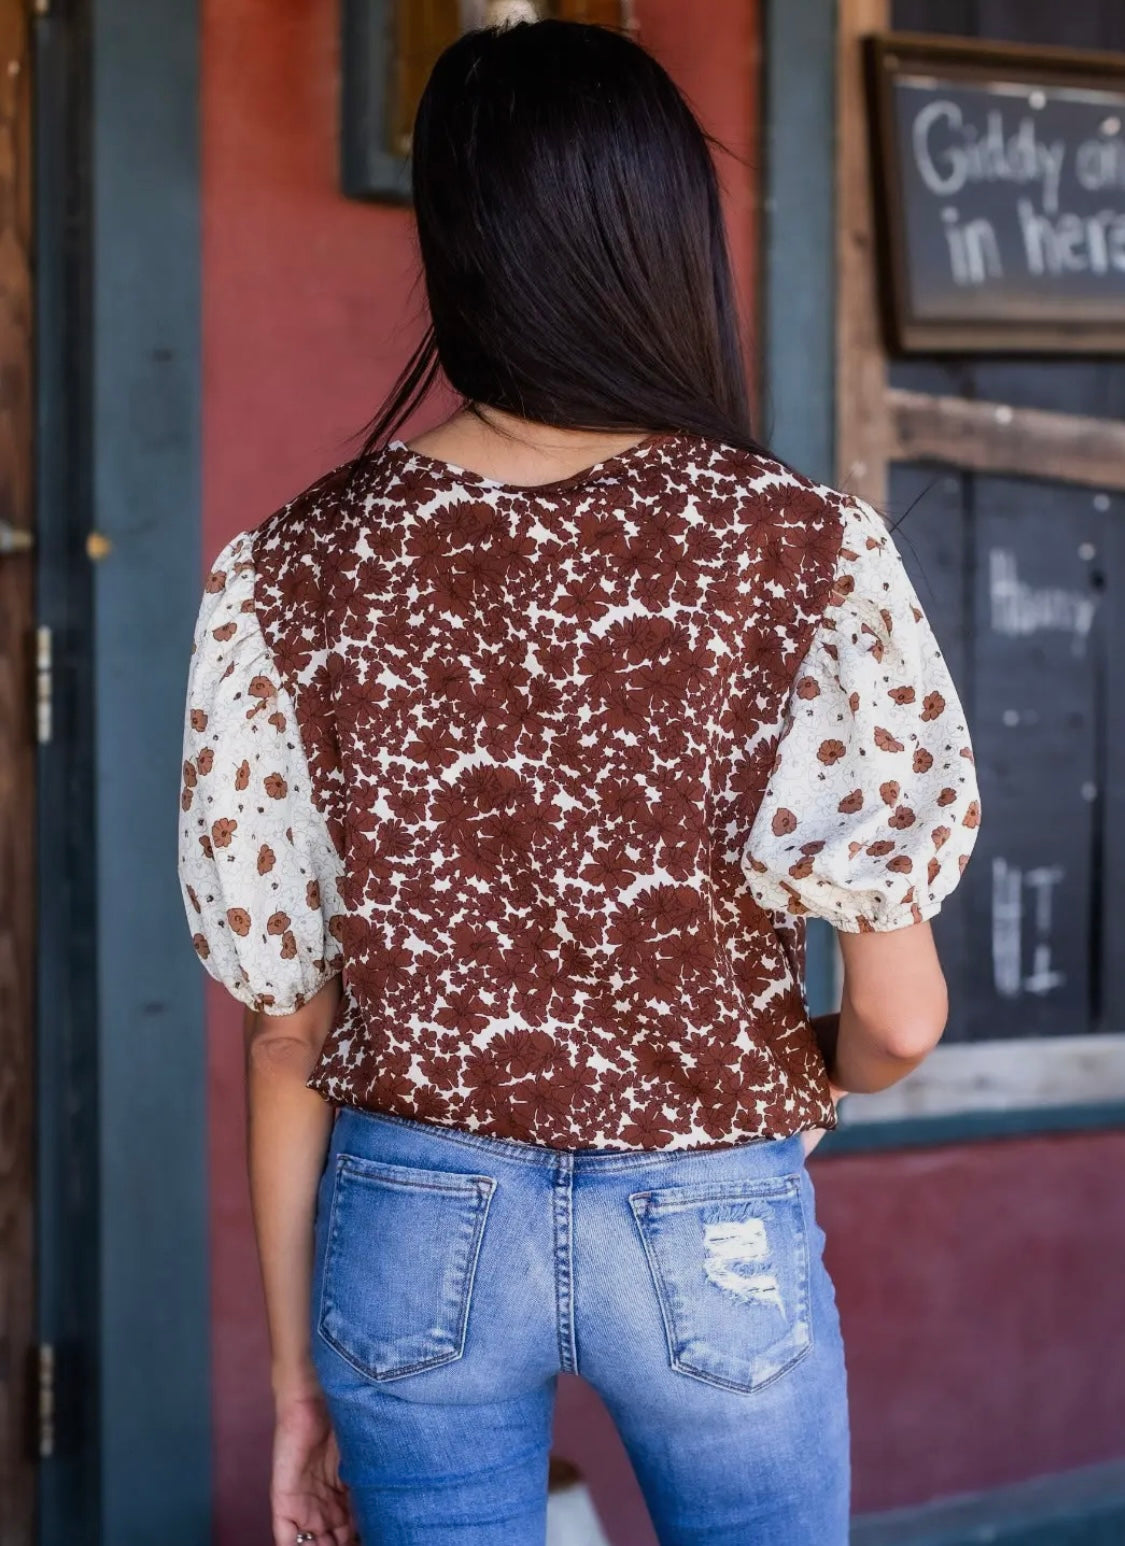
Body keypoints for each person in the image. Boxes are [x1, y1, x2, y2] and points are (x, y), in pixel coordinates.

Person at [178, 18, 980, 1546]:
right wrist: (783, 1100)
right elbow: (898, 1014)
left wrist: (297, 1386)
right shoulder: (803, 547)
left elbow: (289, 1024)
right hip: (709, 1211)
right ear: (661, 239)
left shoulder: (289, 569)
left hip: (409, 1228)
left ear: (459, 253)